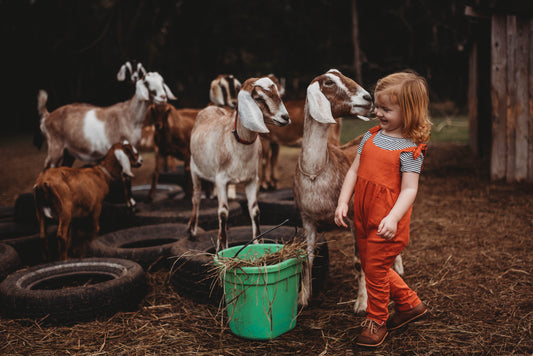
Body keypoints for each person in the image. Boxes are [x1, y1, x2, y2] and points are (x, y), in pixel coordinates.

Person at [334, 71, 431, 347]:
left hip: (387, 222)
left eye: (386, 109)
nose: (377, 113)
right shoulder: (370, 136)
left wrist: (393, 217)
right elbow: (354, 170)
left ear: (409, 111)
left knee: (374, 270)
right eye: (377, 106)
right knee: (372, 265)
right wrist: (343, 201)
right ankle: (410, 304)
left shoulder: (411, 150)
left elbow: (410, 190)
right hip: (363, 217)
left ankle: (377, 320)